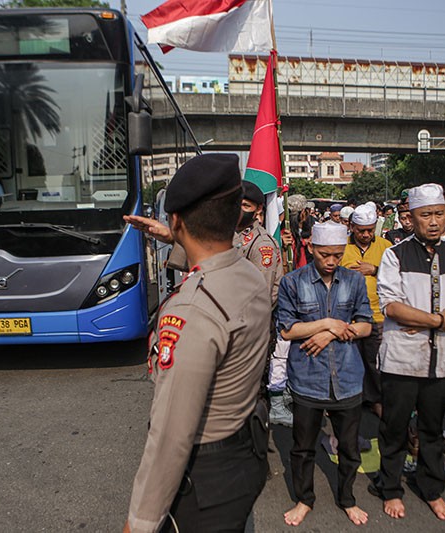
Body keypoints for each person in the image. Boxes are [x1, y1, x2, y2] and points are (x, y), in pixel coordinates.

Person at [124, 154, 271, 533]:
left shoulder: (194, 309)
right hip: (244, 452)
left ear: (176, 219)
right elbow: (217, 255)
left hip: (205, 476)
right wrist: (178, 234)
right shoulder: (250, 274)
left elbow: (172, 434)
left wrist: (139, 524)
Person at [375, 183, 445, 521]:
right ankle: (390, 488)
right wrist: (442, 319)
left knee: (433, 430)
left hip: (444, 361)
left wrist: (433, 321)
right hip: (403, 360)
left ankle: (431, 488)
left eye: (439, 214)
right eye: (426, 215)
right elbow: (392, 306)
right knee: (394, 427)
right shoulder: (395, 254)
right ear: (411, 217)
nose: (433, 221)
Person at [278, 221, 373, 528]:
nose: (331, 261)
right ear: (311, 248)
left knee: (348, 447)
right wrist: (329, 324)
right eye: (325, 255)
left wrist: (330, 333)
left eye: (337, 254)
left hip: (347, 376)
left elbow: (366, 325)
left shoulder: (354, 281)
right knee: (303, 446)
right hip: (308, 376)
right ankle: (304, 499)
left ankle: (347, 498)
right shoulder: (292, 282)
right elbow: (288, 329)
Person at [340, 202, 393, 416]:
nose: (365, 235)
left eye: (370, 230)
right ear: (352, 227)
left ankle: (376, 399)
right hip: (348, 314)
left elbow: (395, 276)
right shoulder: (342, 245)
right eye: (361, 231)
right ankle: (351, 397)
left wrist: (375, 270)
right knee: (349, 359)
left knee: (375, 361)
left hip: (377, 313)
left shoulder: (385, 246)